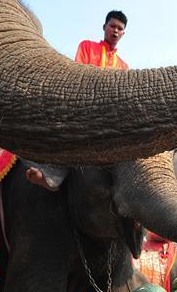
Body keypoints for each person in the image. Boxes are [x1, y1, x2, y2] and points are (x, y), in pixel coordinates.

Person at [24, 10, 130, 188]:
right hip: (83, 105)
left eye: (120, 28)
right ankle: (52, 178)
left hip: (109, 116)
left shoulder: (124, 65)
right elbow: (79, 74)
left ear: (123, 33)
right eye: (112, 26)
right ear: (104, 27)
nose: (115, 31)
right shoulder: (87, 46)